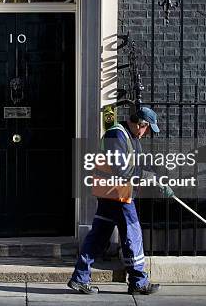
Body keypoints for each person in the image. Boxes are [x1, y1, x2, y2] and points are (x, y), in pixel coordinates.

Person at [68, 106, 174, 296]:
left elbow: (137, 164)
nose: (147, 133)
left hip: (111, 193)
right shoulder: (115, 135)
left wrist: (159, 175)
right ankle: (138, 282)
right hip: (118, 194)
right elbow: (121, 170)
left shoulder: (130, 137)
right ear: (140, 124)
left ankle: (80, 278)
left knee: (99, 236)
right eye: (147, 128)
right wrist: (148, 176)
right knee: (133, 235)